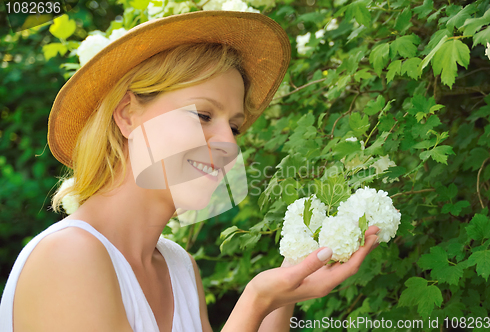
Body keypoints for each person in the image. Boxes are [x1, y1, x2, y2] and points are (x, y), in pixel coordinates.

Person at [0, 11, 379, 332]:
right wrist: (255, 301)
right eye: (202, 115)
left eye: (234, 126)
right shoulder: (69, 256)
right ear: (128, 115)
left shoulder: (179, 267)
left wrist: (283, 294)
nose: (229, 145)